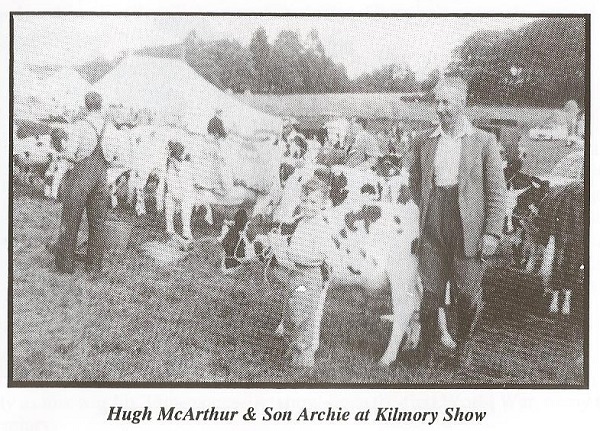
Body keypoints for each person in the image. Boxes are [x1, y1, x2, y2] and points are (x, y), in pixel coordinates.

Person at [409, 76, 506, 368]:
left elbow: (497, 192)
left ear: (462, 103)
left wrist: (491, 233)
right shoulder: (424, 141)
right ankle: (426, 351)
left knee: (465, 292)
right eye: (437, 102)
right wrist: (429, 207)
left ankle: (462, 347)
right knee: (430, 291)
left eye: (446, 102)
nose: (439, 108)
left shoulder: (484, 142)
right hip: (433, 220)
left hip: (469, 227)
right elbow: (415, 182)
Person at [54, 91, 111, 276]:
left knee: (70, 219)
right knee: (98, 223)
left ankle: (65, 266)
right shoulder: (110, 128)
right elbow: (115, 156)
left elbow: (71, 153)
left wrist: (64, 155)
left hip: (81, 175)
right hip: (102, 176)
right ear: (100, 106)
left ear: (86, 106)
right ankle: (93, 267)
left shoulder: (80, 126)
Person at [283, 176, 332, 367]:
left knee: (304, 316)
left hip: (310, 275)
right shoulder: (301, 222)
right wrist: (285, 252)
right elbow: (295, 244)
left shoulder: (321, 227)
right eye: (304, 201)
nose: (308, 206)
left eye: (313, 202)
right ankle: (293, 348)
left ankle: (303, 360)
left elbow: (320, 256)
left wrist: (296, 257)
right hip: (296, 273)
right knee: (292, 310)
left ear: (322, 205)